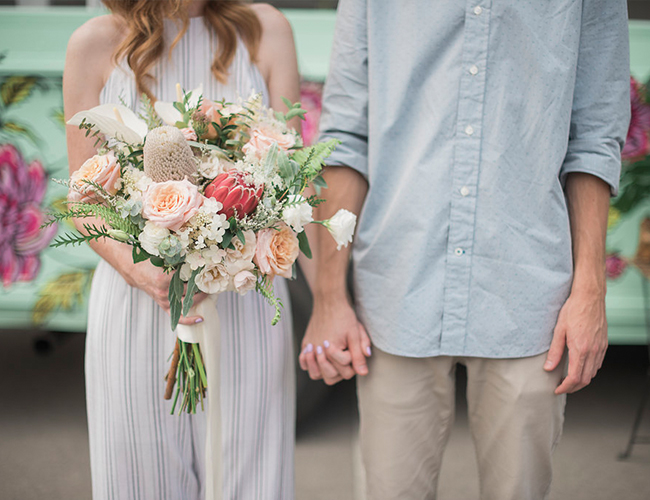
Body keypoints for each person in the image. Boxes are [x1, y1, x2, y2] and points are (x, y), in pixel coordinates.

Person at [300, 1, 630, 499]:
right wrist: (329, 299)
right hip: (397, 285)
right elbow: (346, 135)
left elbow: (594, 138)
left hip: (528, 291)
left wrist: (590, 291)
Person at [64, 1, 303, 499]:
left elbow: (290, 177)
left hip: (242, 303)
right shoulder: (93, 43)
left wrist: (227, 252)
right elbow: (84, 200)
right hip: (136, 304)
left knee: (248, 481)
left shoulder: (266, 30)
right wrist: (143, 270)